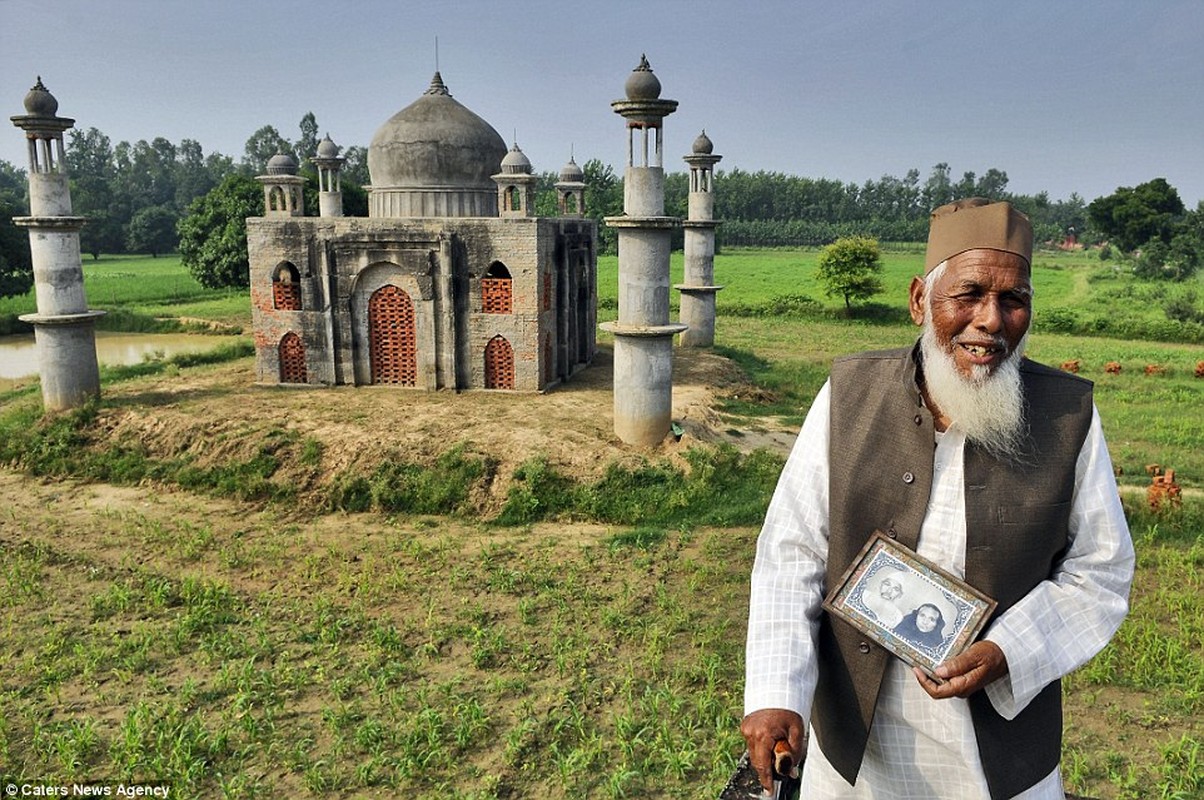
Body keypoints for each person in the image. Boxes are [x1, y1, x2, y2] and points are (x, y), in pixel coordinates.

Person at [740, 198, 1135, 800]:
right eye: (969, 294)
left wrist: (1009, 649)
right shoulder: (851, 394)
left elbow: (1101, 571)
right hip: (858, 754)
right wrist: (774, 692)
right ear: (921, 300)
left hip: (1002, 761)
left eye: (1013, 300)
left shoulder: (1067, 416)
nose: (991, 321)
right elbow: (791, 552)